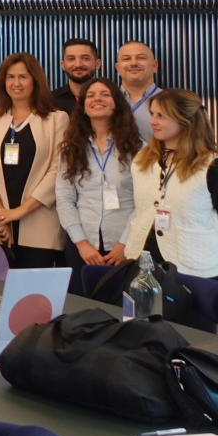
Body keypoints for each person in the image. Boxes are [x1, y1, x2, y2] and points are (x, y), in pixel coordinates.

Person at [124, 91, 218, 280]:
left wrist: (199, 241)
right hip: (144, 262)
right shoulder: (143, 159)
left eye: (161, 116)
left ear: (185, 121)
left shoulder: (214, 166)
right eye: (153, 114)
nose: (152, 122)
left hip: (195, 268)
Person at [0, 53, 67, 268]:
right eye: (10, 77)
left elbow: (58, 169)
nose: (16, 83)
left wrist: (19, 212)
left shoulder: (56, 119)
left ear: (35, 80)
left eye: (23, 77)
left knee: (34, 296)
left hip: (39, 223)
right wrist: (1, 215)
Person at [55, 79, 139, 291]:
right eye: (91, 95)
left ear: (117, 103)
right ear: (83, 105)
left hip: (124, 246)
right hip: (82, 245)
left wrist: (126, 244)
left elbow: (145, 203)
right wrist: (81, 243)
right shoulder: (71, 148)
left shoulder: (138, 148)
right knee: (82, 310)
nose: (97, 99)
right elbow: (64, 198)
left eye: (105, 94)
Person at [116, 40, 163, 143]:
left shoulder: (172, 102)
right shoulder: (106, 102)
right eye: (126, 59)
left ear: (154, 66)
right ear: (118, 68)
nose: (133, 63)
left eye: (141, 58)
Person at [51, 39, 102, 114]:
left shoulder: (111, 99)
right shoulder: (49, 101)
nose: (78, 64)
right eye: (71, 59)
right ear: (63, 65)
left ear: (97, 64)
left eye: (85, 58)